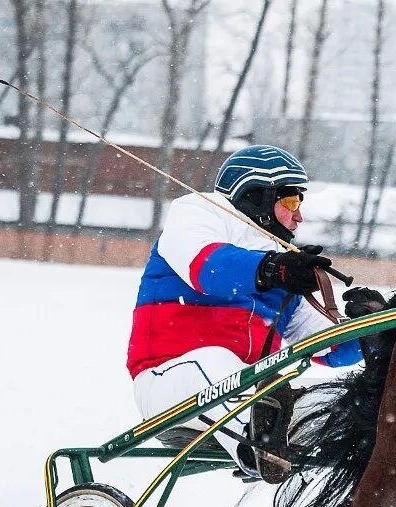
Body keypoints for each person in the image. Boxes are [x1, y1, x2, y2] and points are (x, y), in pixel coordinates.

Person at [127, 145, 377, 482]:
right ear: (257, 196)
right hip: (170, 388)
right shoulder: (198, 213)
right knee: (217, 362)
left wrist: (372, 328)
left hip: (254, 397)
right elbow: (207, 267)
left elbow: (328, 348)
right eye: (291, 202)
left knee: (356, 405)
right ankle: (256, 440)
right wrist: (276, 269)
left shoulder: (276, 263)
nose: (298, 216)